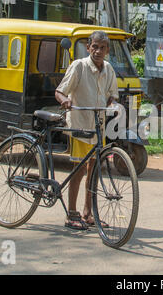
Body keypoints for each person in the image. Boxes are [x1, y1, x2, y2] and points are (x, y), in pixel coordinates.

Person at [55, 31, 118, 230]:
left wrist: (111, 104)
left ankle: (88, 213)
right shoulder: (79, 66)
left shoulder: (108, 69)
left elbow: (111, 95)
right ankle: (71, 214)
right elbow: (59, 91)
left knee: (94, 170)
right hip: (80, 124)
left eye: (102, 47)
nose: (98, 51)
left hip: (98, 126)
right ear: (89, 47)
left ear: (107, 50)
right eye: (95, 47)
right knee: (79, 169)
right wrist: (65, 100)